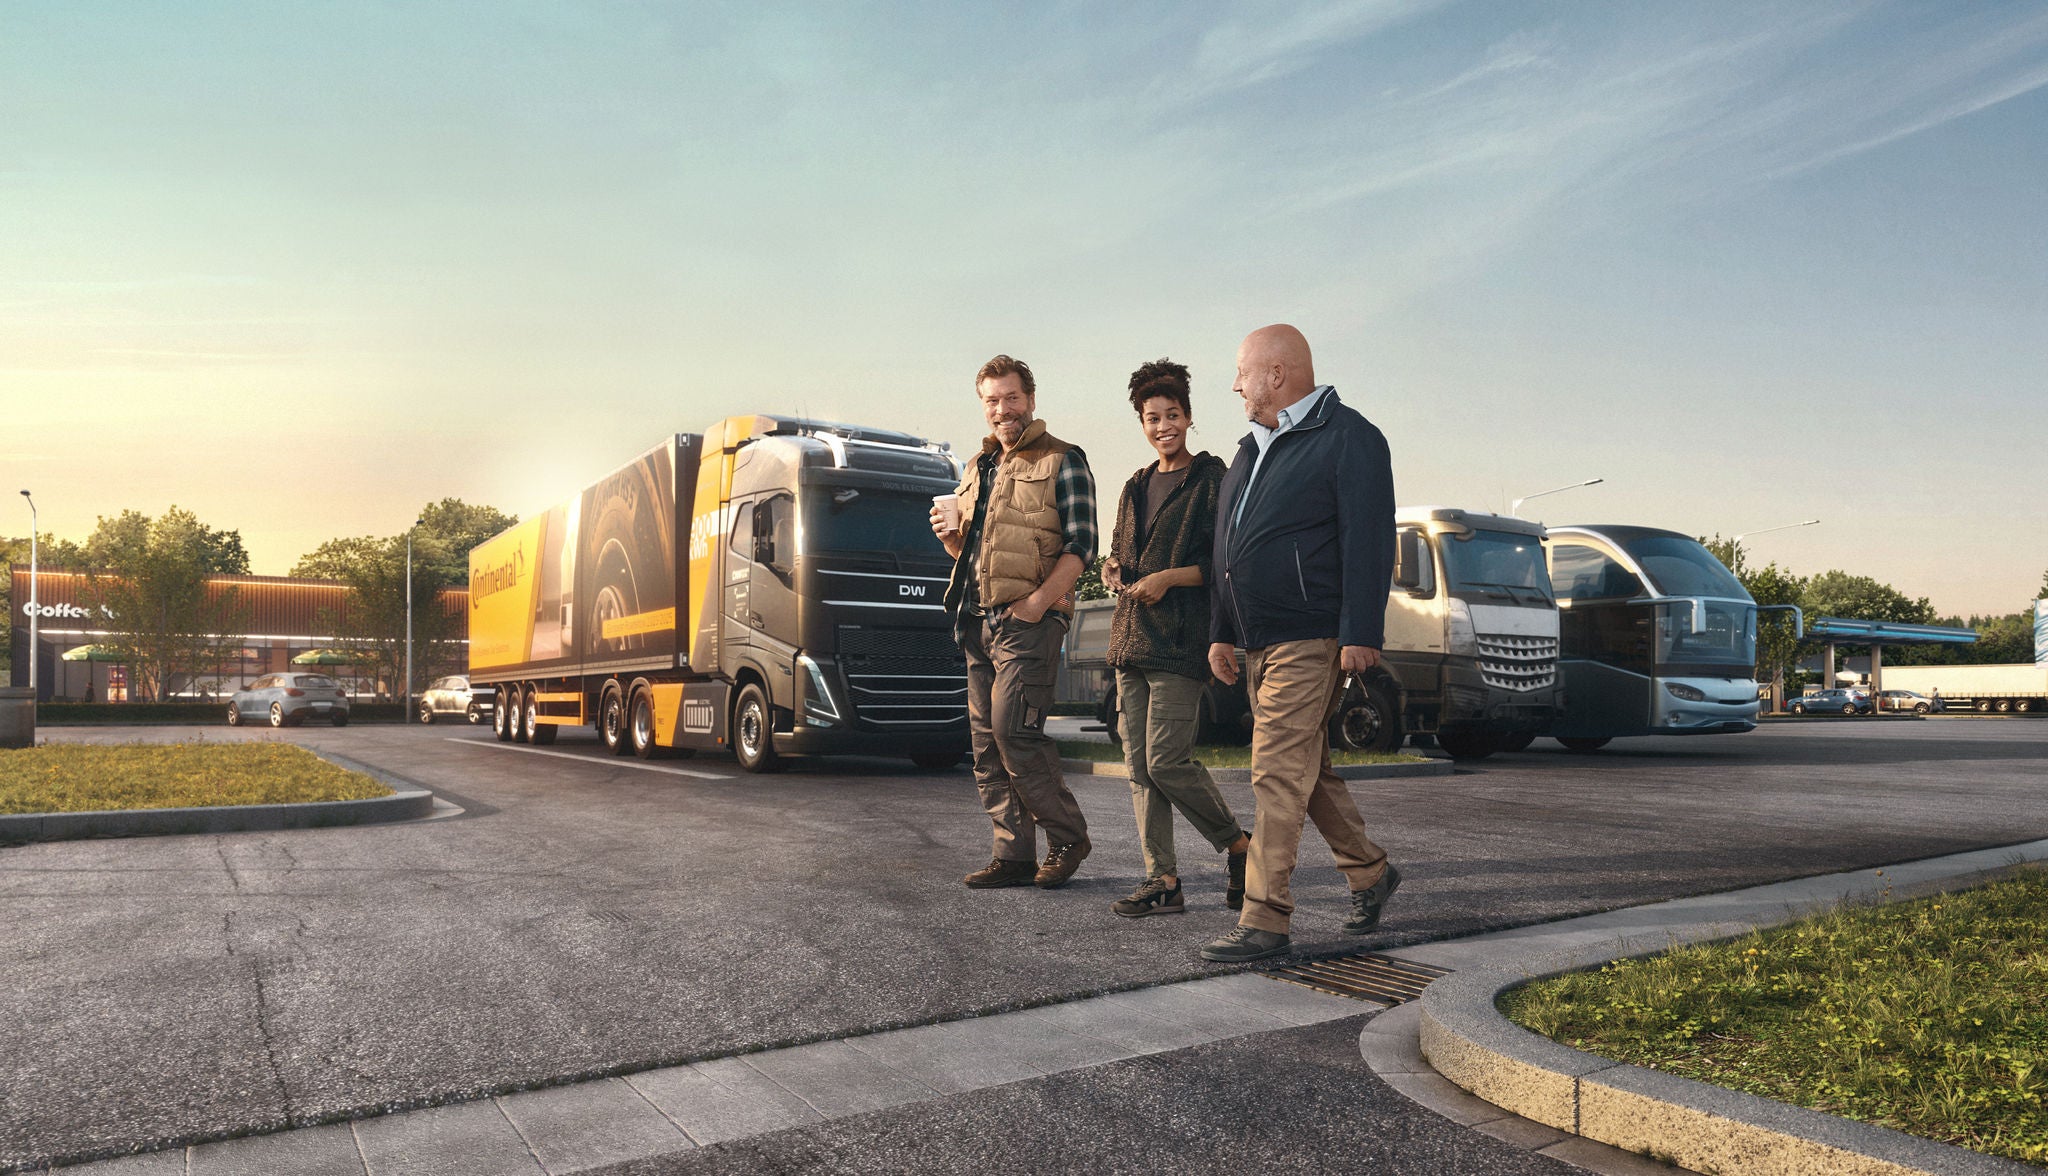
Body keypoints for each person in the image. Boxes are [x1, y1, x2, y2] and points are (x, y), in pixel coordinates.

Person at [1199, 324, 1401, 963]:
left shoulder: (1350, 440)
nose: (1235, 385)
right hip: (1256, 637)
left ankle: (1265, 919)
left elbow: (1369, 539)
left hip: (1309, 633)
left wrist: (1361, 631)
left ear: (1277, 373)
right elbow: (1225, 550)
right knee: (1306, 773)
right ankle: (1370, 873)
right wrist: (1221, 630)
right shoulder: (1250, 449)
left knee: (1276, 772)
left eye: (1242, 372)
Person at [933, 355, 1099, 890]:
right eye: (991, 401)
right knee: (985, 744)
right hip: (975, 620)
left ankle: (1068, 837)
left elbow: (1082, 547)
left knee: (1015, 733)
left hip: (1028, 624)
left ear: (1030, 399)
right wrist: (951, 541)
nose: (1002, 410)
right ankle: (1014, 855)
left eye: (1010, 398)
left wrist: (1039, 603)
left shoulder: (1063, 460)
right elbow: (975, 553)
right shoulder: (977, 468)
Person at [1101, 359, 1250, 918]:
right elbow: (1119, 550)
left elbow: (1221, 564)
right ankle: (1162, 879)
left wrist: (1168, 578)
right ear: (1141, 423)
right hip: (1129, 639)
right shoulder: (1133, 485)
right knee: (1138, 768)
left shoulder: (1211, 480)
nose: (1162, 425)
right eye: (1151, 417)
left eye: (1171, 415)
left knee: (1167, 761)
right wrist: (1114, 567)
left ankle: (1239, 846)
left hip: (1181, 642)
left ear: (1188, 417)